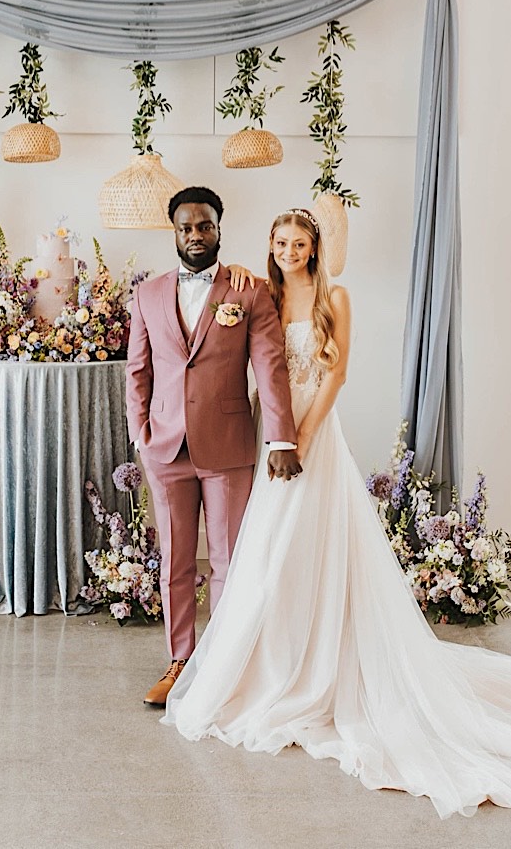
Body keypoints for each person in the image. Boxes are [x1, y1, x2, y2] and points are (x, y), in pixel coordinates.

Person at [162, 208, 511, 818]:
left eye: (300, 243)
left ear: (315, 248)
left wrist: (299, 443)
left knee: (306, 542)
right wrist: (273, 439)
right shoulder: (258, 292)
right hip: (267, 436)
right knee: (268, 554)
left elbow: (334, 378)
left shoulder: (335, 295)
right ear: (271, 246)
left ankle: (322, 659)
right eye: (280, 241)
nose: (289, 250)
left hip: (311, 435)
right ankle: (273, 658)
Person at [126, 187, 301, 708]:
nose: (196, 236)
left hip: (227, 447)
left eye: (205, 226)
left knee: (228, 560)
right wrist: (141, 433)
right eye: (186, 228)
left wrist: (282, 437)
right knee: (176, 560)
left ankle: (221, 665)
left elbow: (270, 369)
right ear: (174, 232)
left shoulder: (248, 292)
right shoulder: (147, 294)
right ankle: (180, 661)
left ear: (219, 228)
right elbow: (137, 370)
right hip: (165, 449)